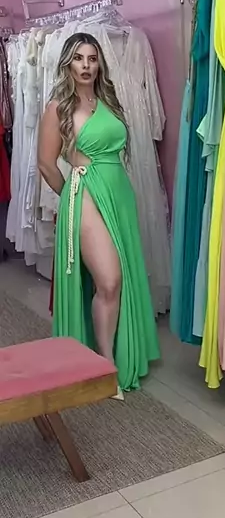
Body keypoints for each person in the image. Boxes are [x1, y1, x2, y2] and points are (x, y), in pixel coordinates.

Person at [38, 32, 160, 399]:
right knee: (109, 279)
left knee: (117, 281)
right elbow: (46, 164)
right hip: (86, 194)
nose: (86, 66)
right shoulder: (58, 107)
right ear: (68, 64)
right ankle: (105, 368)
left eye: (92, 58)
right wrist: (73, 197)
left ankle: (109, 356)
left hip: (118, 194)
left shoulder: (106, 98)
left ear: (99, 64)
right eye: (79, 58)